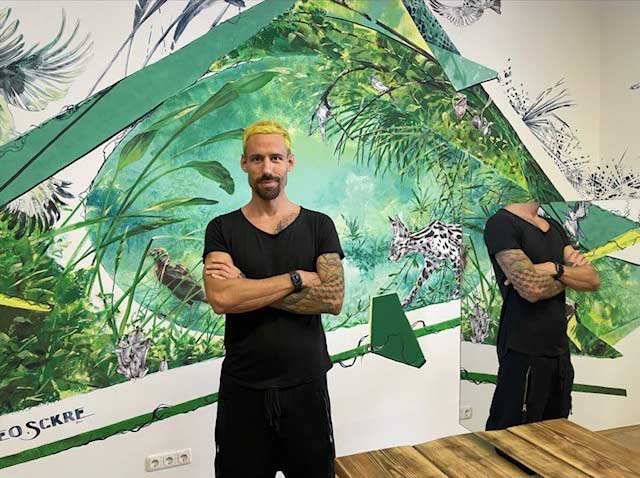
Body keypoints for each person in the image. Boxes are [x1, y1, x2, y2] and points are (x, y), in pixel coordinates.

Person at [201, 120, 345, 478]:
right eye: (257, 159)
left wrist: (246, 287)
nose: (267, 168)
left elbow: (332, 298)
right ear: (244, 163)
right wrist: (296, 279)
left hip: (306, 386)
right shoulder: (221, 229)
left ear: (290, 162)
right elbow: (221, 298)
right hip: (243, 389)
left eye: (275, 158)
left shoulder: (319, 226)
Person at [483, 202, 600, 433]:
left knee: (555, 433)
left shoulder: (553, 227)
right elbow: (531, 289)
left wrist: (553, 268)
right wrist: (568, 277)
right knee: (512, 436)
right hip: (522, 349)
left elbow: (593, 279)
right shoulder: (502, 223)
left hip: (559, 352)